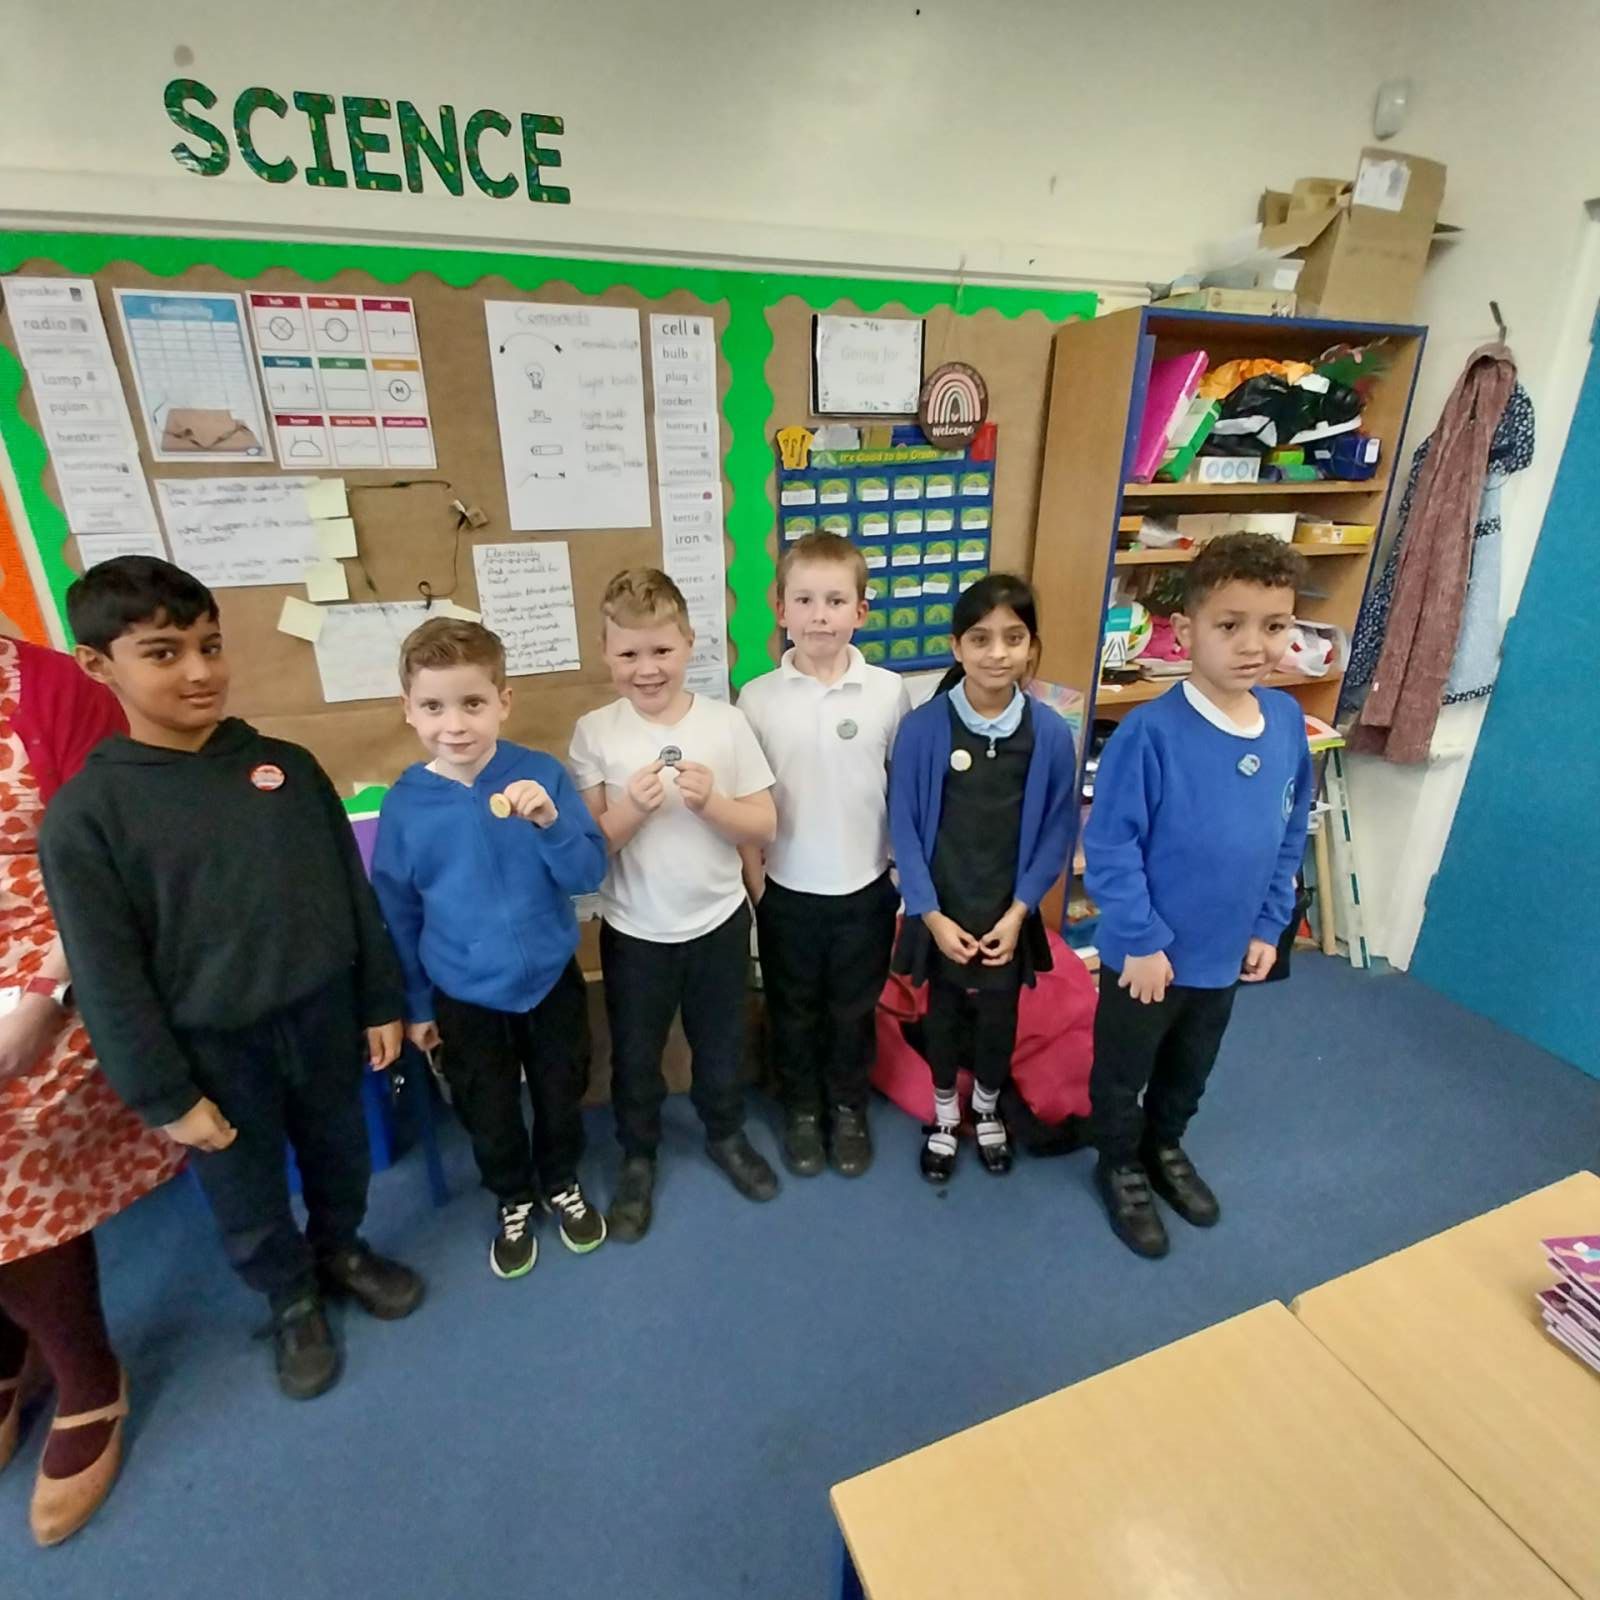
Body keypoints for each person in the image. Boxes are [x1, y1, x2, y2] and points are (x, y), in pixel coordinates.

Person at [39, 557, 423, 1402]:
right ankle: (290, 1299)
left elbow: (348, 892)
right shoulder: (87, 817)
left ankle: (341, 1251)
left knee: (340, 1154)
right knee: (245, 1190)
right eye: (163, 653)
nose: (200, 671)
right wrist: (163, 1095)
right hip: (212, 1048)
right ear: (98, 664)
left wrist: (379, 998)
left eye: (209, 645)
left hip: (322, 1016)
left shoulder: (285, 768)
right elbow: (107, 975)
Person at [0, 630, 186, 1546]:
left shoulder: (52, 688)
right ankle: (11, 1342)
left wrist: (45, 992)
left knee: (6, 1124)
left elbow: (111, 859)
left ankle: (85, 1373)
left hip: (58, 958)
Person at [1084, 533, 1313, 1258]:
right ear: (1185, 632)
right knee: (1124, 1069)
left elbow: (1289, 831)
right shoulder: (1148, 734)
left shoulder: (1285, 723)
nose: (1254, 645)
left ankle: (1164, 1146)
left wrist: (1269, 925)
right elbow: (1110, 848)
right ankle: (1118, 1163)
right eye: (1230, 624)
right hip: (1146, 958)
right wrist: (1141, 940)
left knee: (1190, 1067)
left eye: (1273, 626)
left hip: (1224, 952)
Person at [372, 617, 608, 1281]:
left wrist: (550, 824)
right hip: (464, 993)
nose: (455, 725)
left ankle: (560, 1179)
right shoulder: (406, 806)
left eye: (472, 703)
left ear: (504, 701)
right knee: (487, 1108)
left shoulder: (541, 775)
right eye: (434, 707)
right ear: (408, 710)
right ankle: (512, 1195)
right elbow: (399, 913)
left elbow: (588, 875)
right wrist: (418, 1005)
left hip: (549, 979)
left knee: (562, 1090)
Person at [569, 569, 779, 1242]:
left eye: (661, 649)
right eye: (628, 653)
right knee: (636, 1056)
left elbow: (764, 823)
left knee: (721, 1045)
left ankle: (726, 1132)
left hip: (718, 924)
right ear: (605, 653)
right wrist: (632, 809)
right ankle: (637, 1155)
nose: (647, 668)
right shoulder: (594, 732)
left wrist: (712, 803)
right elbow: (589, 849)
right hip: (635, 931)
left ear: (689, 642)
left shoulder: (727, 723)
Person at [888, 574, 1077, 1183]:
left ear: (1032, 647)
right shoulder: (924, 728)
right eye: (980, 638)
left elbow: (1056, 829)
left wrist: (1020, 912)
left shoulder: (1050, 733)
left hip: (1006, 910)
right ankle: (946, 1115)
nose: (997, 653)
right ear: (956, 646)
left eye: (1013, 638)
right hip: (943, 907)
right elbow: (903, 826)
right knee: (941, 1011)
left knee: (1000, 1015)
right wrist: (930, 914)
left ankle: (988, 1108)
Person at [738, 533, 910, 1178]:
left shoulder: (888, 692)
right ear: (780, 607)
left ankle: (847, 1107)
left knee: (853, 1011)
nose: (819, 616)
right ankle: (803, 1110)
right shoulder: (756, 698)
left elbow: (901, 787)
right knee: (793, 1009)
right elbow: (746, 797)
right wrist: (757, 884)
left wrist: (898, 873)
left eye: (836, 601)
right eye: (804, 600)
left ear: (860, 611)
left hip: (865, 888)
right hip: (786, 889)